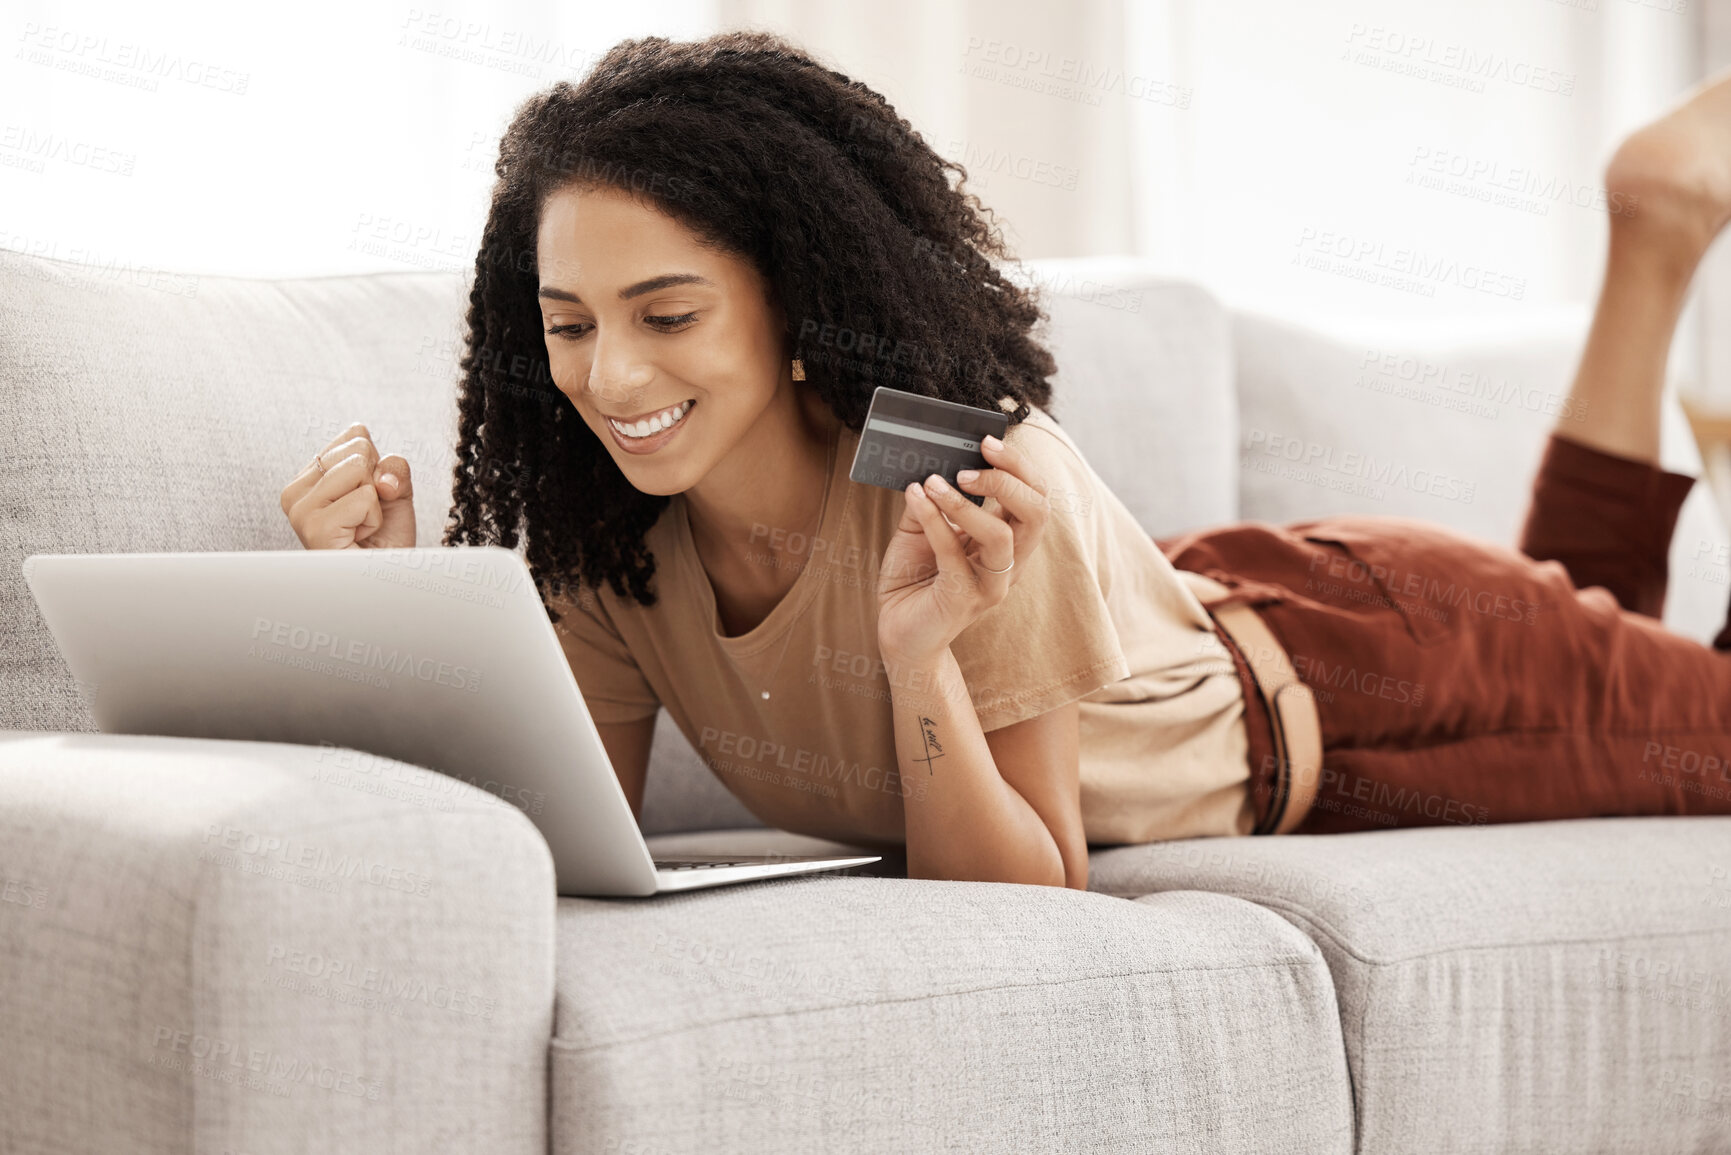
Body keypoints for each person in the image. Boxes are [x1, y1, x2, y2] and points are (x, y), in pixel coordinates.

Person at [280, 31, 1731, 891]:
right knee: (1599, 609)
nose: (610, 376)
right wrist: (392, 632)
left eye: (667, 316)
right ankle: (1657, 236)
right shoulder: (611, 547)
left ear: (794, 314)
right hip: (1236, 621)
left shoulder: (963, 478)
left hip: (1368, 680)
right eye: (570, 325)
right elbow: (556, 857)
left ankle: (1655, 232)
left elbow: (1030, 886)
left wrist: (918, 656)